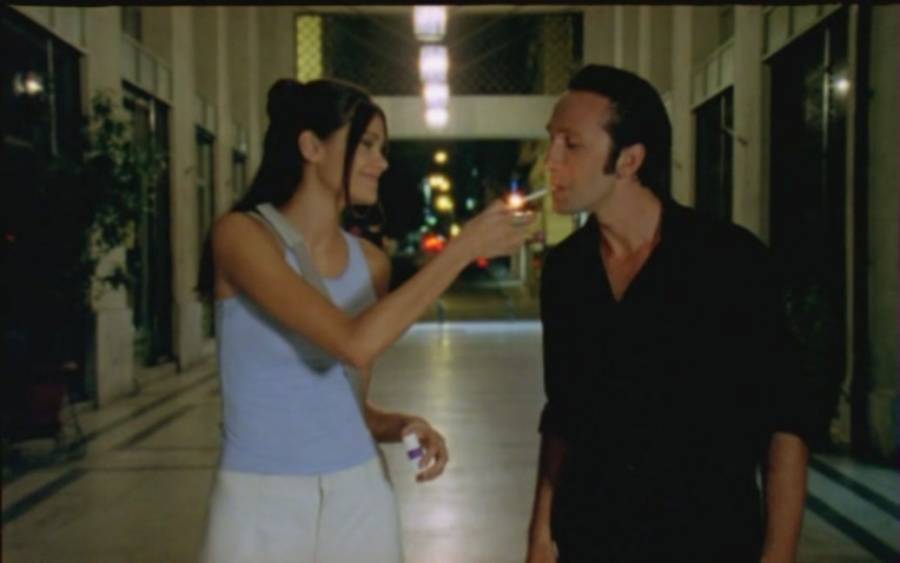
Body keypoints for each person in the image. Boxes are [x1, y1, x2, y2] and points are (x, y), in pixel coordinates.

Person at [196, 78, 533, 563]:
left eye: (383, 148)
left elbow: (348, 400)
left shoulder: (372, 264)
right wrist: (462, 250)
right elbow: (351, 343)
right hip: (257, 501)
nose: (382, 162)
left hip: (359, 496)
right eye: (367, 145)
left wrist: (399, 423)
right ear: (311, 147)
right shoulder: (241, 236)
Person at [526, 65, 814, 563]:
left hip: (707, 537)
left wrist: (779, 552)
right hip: (591, 535)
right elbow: (562, 413)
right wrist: (540, 533)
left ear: (629, 159)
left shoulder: (728, 260)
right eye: (550, 141)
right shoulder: (567, 271)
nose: (550, 161)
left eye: (570, 145)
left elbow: (785, 415)